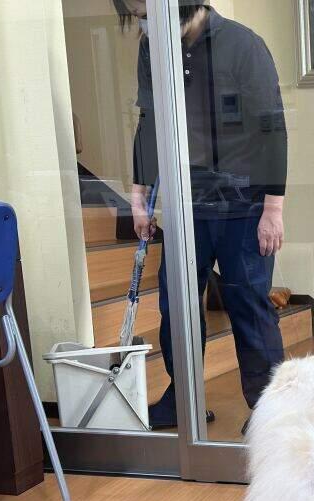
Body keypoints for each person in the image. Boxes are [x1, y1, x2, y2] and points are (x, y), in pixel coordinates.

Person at [113, 0, 288, 433]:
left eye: (151, 15)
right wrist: (140, 196)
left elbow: (273, 127)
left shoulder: (244, 46)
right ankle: (183, 397)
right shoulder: (154, 50)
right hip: (187, 204)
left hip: (245, 205)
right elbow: (149, 122)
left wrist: (273, 208)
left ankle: (271, 409)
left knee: (247, 304)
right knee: (177, 306)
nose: (146, 26)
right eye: (139, 18)